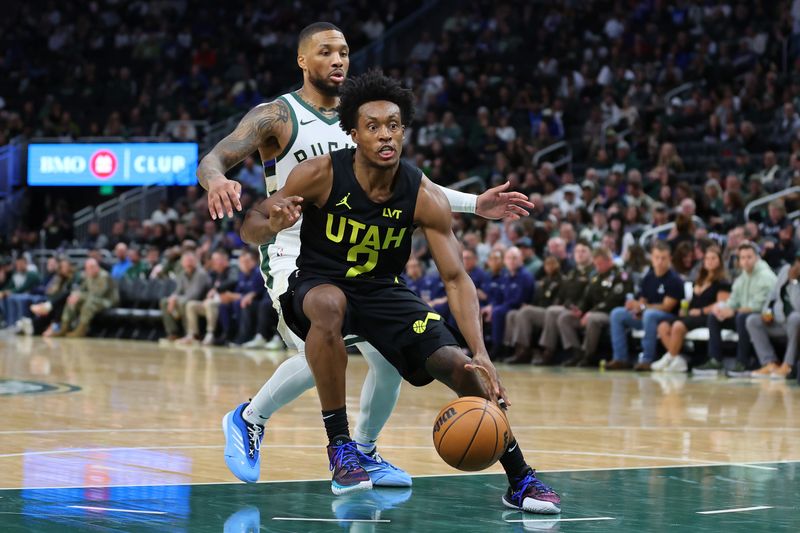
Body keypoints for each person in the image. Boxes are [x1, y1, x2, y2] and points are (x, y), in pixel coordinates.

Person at [197, 22, 533, 485]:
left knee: (388, 356)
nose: (338, 60)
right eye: (325, 52)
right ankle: (250, 418)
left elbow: (416, 187)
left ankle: (364, 451)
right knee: (323, 344)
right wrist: (216, 180)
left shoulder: (366, 119)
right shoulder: (278, 115)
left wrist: (474, 203)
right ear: (302, 60)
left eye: (344, 52)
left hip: (361, 255)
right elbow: (216, 157)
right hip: (294, 247)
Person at [239, 70, 559, 513]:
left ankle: (520, 477)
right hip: (318, 285)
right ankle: (341, 446)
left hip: (384, 292)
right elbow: (249, 227)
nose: (385, 135)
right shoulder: (318, 174)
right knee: (331, 305)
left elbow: (456, 278)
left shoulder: (422, 192)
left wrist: (481, 352)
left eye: (394, 125)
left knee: (463, 369)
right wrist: (271, 220)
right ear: (352, 133)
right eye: (373, 126)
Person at [695, 242, 777, 375]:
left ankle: (743, 362)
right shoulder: (743, 277)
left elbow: (759, 306)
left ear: (756, 257)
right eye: (742, 257)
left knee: (742, 318)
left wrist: (733, 311)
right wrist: (723, 309)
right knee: (714, 317)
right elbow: (733, 300)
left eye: (749, 257)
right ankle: (715, 360)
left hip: (764, 318)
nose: (745, 261)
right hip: (744, 315)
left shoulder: (765, 276)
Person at [607, 240, 683, 370]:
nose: (659, 261)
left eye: (663, 258)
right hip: (647, 317)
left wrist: (643, 307)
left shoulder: (674, 280)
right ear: (651, 259)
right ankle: (620, 359)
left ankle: (647, 359)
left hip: (668, 318)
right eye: (657, 257)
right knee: (617, 314)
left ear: (670, 259)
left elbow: (667, 307)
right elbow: (642, 299)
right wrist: (636, 307)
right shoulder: (649, 277)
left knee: (650, 314)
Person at [653, 246, 730, 373]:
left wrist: (700, 311)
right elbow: (693, 302)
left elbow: (721, 305)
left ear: (720, 261)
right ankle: (677, 359)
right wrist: (686, 310)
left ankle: (669, 358)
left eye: (713, 258)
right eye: (707, 258)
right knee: (663, 326)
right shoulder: (699, 280)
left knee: (678, 326)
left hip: (708, 317)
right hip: (692, 315)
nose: (710, 261)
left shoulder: (723, 282)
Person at [558, 246, 633, 367]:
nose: (597, 267)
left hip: (610, 314)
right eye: (595, 264)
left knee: (593, 319)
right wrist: (580, 309)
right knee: (565, 318)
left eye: (600, 264)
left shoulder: (621, 275)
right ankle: (576, 352)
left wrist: (592, 312)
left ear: (609, 260)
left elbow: (613, 300)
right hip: (592, 312)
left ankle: (588, 355)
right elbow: (586, 297)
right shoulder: (595, 276)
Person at [744, 252, 800, 378]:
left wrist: (794, 282)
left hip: (794, 324)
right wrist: (766, 312)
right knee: (752, 320)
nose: (798, 265)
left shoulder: (794, 278)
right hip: (778, 321)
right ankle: (770, 363)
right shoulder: (786, 269)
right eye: (797, 260)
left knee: (796, 318)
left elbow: (798, 306)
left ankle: (787, 365)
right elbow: (773, 295)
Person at [53, 258, 118, 338]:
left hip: (108, 301)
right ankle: (64, 328)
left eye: (91, 267)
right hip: (94, 300)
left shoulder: (104, 276)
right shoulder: (89, 276)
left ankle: (81, 331)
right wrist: (75, 295)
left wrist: (79, 296)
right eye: (87, 268)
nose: (88, 270)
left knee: (89, 303)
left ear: (96, 267)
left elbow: (97, 294)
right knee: (71, 299)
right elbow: (81, 289)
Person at [158, 252, 211, 341]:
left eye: (191, 261)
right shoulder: (182, 274)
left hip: (200, 301)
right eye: (186, 261)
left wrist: (176, 299)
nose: (188, 263)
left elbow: (195, 294)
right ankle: (173, 333)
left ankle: (189, 333)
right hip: (185, 300)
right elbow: (178, 290)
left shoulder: (201, 274)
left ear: (196, 262)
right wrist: (173, 297)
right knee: (164, 302)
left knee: (183, 303)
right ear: (182, 263)